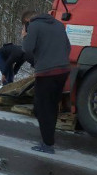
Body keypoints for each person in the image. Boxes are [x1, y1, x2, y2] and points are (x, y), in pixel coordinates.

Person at [21, 10, 71, 154]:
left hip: (47, 72)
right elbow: (68, 47)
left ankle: (48, 144)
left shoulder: (34, 26)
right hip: (63, 70)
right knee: (52, 105)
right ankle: (48, 139)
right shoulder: (59, 24)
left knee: (41, 108)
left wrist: (24, 37)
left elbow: (27, 49)